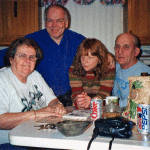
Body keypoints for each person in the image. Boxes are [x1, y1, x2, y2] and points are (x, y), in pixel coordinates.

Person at [0, 4, 114, 106]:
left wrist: (108, 55)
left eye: (59, 21)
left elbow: (95, 50)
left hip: (72, 98)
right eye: (50, 20)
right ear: (45, 23)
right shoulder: (32, 40)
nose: (54, 25)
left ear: (66, 23)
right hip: (44, 100)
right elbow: (8, 54)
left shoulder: (77, 39)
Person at [0, 37, 66, 144]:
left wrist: (57, 105)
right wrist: (36, 114)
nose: (28, 60)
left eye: (32, 57)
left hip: (40, 136)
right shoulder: (2, 80)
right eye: (22, 56)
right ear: (11, 59)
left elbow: (52, 100)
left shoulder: (35, 76)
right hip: (13, 143)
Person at [69, 38, 116, 109]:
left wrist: (93, 101)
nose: (85, 61)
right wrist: (80, 101)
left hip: (100, 106)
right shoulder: (74, 69)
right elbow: (76, 93)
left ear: (99, 59)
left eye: (90, 57)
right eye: (82, 57)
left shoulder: (108, 68)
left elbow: (105, 93)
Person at [112, 33, 150, 108]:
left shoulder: (145, 73)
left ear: (136, 52)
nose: (120, 51)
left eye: (126, 47)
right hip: (117, 114)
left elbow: (138, 101)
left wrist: (111, 105)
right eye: (117, 47)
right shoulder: (113, 67)